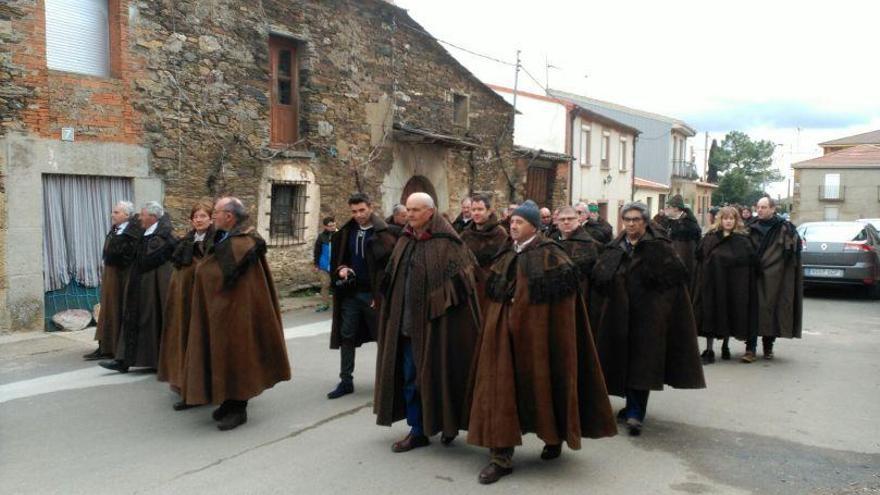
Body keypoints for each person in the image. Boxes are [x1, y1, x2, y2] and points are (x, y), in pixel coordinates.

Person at [468, 201, 616, 484]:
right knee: (502, 391)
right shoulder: (507, 252)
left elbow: (564, 311)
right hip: (504, 338)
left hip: (539, 340)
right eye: (511, 221)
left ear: (535, 226)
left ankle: (554, 436)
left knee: (547, 385)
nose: (513, 226)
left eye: (519, 222)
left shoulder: (552, 256)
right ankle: (501, 456)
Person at [374, 192, 481, 452]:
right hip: (407, 326)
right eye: (408, 210)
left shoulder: (449, 243)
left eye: (416, 210)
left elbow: (465, 283)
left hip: (438, 330)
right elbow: (392, 277)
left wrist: (437, 302)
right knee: (412, 379)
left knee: (442, 377)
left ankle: (448, 423)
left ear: (430, 212)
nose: (410, 214)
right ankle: (418, 429)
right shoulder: (405, 239)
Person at [592, 202, 705, 436]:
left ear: (645, 221)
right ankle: (628, 405)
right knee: (621, 360)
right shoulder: (616, 246)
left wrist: (661, 313)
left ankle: (635, 413)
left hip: (648, 318)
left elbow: (673, 283)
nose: (631, 224)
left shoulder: (659, 247)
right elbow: (602, 275)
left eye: (636, 219)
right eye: (627, 220)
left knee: (642, 364)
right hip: (619, 315)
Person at [179, 197, 291, 430]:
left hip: (238, 312)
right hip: (220, 310)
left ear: (229, 216)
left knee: (238, 356)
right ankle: (228, 402)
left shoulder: (243, 243)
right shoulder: (224, 237)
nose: (213, 216)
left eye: (217, 212)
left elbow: (237, 282)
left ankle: (239, 407)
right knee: (221, 354)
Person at [326, 194, 398, 399]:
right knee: (347, 335)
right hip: (351, 294)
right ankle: (346, 380)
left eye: (362, 210)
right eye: (354, 211)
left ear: (370, 207)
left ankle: (386, 383)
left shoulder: (385, 233)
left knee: (382, 337)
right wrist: (342, 268)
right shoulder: (347, 232)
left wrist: (381, 294)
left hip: (374, 295)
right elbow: (341, 258)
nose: (358, 215)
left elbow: (390, 268)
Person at [100, 202, 175, 373]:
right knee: (132, 320)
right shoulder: (145, 233)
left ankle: (155, 360)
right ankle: (123, 359)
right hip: (138, 285)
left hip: (151, 288)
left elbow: (162, 267)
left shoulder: (164, 237)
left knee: (151, 321)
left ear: (152, 217)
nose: (139, 218)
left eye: (142, 215)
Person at [157, 201, 215, 408]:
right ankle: (187, 387)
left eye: (202, 216)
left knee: (203, 346)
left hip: (206, 307)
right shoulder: (186, 241)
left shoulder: (215, 242)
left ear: (211, 219)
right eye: (195, 217)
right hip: (184, 305)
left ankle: (204, 390)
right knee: (185, 343)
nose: (198, 220)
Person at [692, 206, 757, 364]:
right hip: (711, 283)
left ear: (736, 221)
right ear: (720, 219)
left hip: (733, 285)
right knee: (710, 313)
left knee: (728, 312)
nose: (728, 221)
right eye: (725, 218)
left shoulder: (743, 240)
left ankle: (726, 347)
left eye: (732, 218)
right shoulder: (710, 237)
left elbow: (749, 263)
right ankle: (709, 350)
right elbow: (700, 257)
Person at [84, 201, 143, 361]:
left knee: (117, 309)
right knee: (108, 310)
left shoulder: (132, 232)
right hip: (111, 275)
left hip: (122, 277)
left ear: (126, 215)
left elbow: (130, 255)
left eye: (116, 212)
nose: (113, 215)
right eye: (113, 212)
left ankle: (117, 348)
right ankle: (105, 346)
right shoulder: (116, 230)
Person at [746, 196, 803, 361]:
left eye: (764, 207)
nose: (760, 210)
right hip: (753, 276)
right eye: (758, 207)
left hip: (776, 278)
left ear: (772, 209)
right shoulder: (750, 227)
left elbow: (791, 254)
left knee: (771, 310)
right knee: (752, 311)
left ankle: (768, 347)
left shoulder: (786, 229)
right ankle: (750, 349)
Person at [551, 206, 601, 333]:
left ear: (578, 220)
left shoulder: (590, 244)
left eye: (570, 219)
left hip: (581, 298)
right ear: (556, 221)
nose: (566, 222)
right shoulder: (551, 243)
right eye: (562, 219)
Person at [460, 193, 509, 309]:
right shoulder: (465, 234)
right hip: (470, 288)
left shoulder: (500, 234)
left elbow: (505, 262)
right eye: (474, 209)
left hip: (491, 289)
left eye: (480, 209)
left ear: (489, 211)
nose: (476, 213)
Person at [655, 194, 702, 279]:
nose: (666, 209)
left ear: (676, 208)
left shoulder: (690, 225)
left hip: (685, 265)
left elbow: (690, 251)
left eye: (668, 207)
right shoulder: (669, 221)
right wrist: (659, 217)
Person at [313, 216, 337, 313]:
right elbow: (317, 251)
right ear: (325, 227)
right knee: (325, 285)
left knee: (337, 286)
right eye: (330, 226)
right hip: (324, 265)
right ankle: (325, 304)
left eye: (334, 225)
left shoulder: (340, 234)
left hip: (336, 266)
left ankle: (338, 305)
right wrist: (316, 265)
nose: (332, 227)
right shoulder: (321, 237)